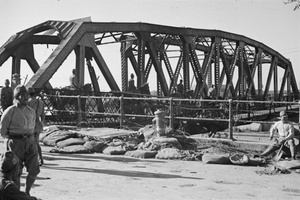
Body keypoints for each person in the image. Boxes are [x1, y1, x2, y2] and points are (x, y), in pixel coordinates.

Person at [0, 84, 40, 195]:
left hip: (30, 142)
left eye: (27, 95)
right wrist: (10, 142)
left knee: (34, 169)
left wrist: (33, 140)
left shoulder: (31, 111)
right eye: (23, 95)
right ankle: (17, 195)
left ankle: (27, 192)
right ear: (17, 97)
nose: (26, 98)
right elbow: (3, 130)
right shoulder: (10, 111)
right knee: (15, 171)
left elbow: (34, 127)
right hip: (15, 143)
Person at [27, 87, 45, 166]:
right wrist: (42, 123)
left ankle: (32, 159)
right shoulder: (40, 102)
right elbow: (43, 114)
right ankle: (40, 158)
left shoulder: (29, 102)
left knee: (29, 142)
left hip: (31, 123)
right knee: (36, 142)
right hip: (38, 123)